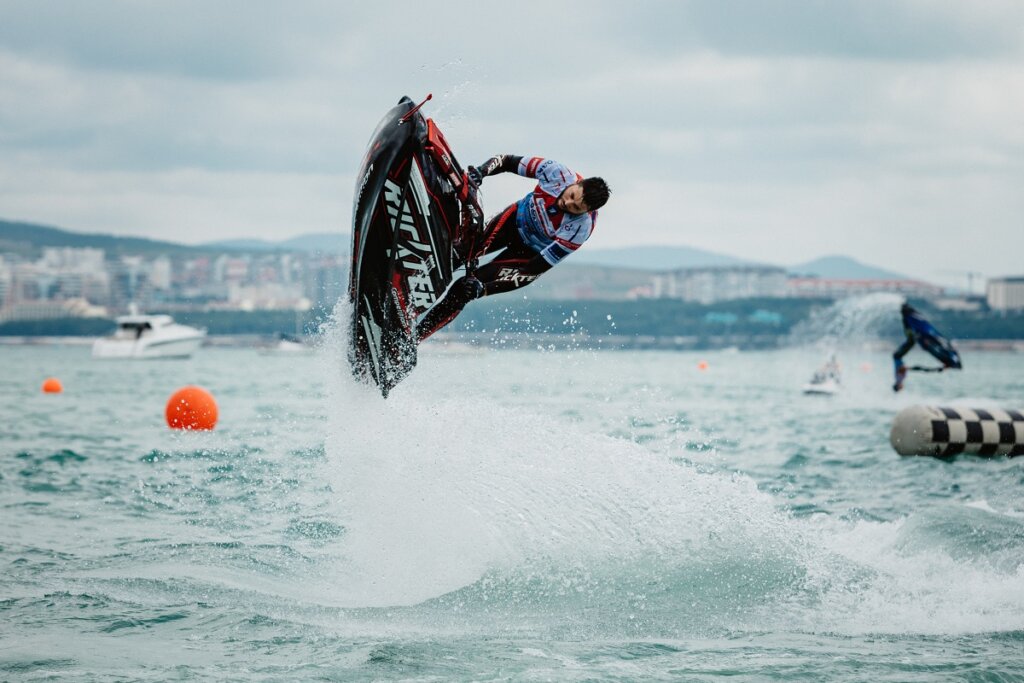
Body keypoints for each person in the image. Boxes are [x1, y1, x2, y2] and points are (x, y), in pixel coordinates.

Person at [416, 155, 610, 340]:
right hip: (512, 222)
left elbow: (534, 269)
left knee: (464, 290)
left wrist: (483, 289)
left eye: (575, 208)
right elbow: (506, 161)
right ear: (577, 183)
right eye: (571, 195)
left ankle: (413, 339)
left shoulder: (580, 229)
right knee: (455, 256)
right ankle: (406, 291)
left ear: (587, 211)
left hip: (529, 254)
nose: (566, 203)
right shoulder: (556, 173)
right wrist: (482, 172)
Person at [892, 302, 962, 392]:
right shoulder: (899, 379)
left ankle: (906, 317)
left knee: (912, 340)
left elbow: (903, 369)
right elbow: (908, 369)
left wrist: (913, 368)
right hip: (898, 355)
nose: (902, 388)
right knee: (912, 339)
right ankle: (907, 319)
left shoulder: (899, 379)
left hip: (897, 355)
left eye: (900, 388)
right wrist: (934, 369)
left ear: (898, 387)